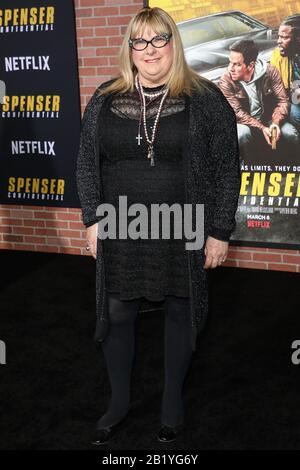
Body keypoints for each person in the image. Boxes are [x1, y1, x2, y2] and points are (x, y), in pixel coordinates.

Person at [76, 6, 240, 446]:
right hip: (120, 223)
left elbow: (227, 168)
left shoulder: (205, 99)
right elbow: (87, 164)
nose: (149, 50)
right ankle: (119, 403)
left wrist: (219, 230)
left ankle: (171, 402)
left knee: (180, 308)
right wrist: (92, 217)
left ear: (174, 44)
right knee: (116, 312)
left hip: (182, 223)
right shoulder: (105, 98)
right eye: (139, 41)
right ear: (129, 49)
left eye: (159, 39)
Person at [218, 39, 298, 163]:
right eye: (230, 63)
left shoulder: (270, 71)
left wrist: (275, 123)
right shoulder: (226, 81)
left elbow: (283, 100)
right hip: (245, 124)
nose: (231, 69)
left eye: (237, 64)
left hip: (269, 119)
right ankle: (244, 166)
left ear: (250, 65)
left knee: (291, 133)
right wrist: (262, 128)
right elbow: (237, 113)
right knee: (241, 134)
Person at [270, 15, 300, 131]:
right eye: (279, 37)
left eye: (284, 37)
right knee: (294, 114)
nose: (279, 41)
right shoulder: (278, 55)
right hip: (293, 99)